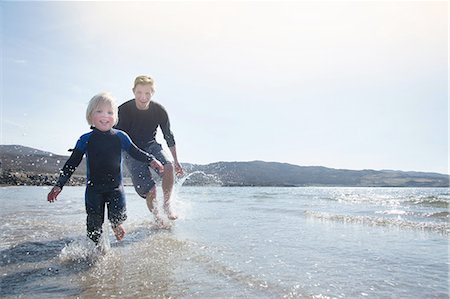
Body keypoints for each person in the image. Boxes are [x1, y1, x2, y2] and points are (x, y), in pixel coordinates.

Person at [47, 92, 164, 245]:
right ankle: (98, 251)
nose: (105, 116)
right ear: (90, 115)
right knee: (94, 227)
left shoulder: (121, 136)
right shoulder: (85, 139)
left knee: (118, 216)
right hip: (93, 190)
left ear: (115, 117)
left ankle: (116, 225)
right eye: (99, 111)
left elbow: (135, 152)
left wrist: (151, 159)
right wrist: (59, 185)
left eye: (110, 112)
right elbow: (72, 163)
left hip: (116, 188)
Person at [116, 75, 183, 223]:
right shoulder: (123, 110)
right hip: (131, 150)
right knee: (150, 190)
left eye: (147, 93)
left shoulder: (159, 110)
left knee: (169, 166)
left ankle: (167, 205)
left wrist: (176, 161)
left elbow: (168, 136)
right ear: (133, 91)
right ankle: (157, 217)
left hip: (151, 145)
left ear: (152, 92)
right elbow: (113, 135)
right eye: (139, 92)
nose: (143, 97)